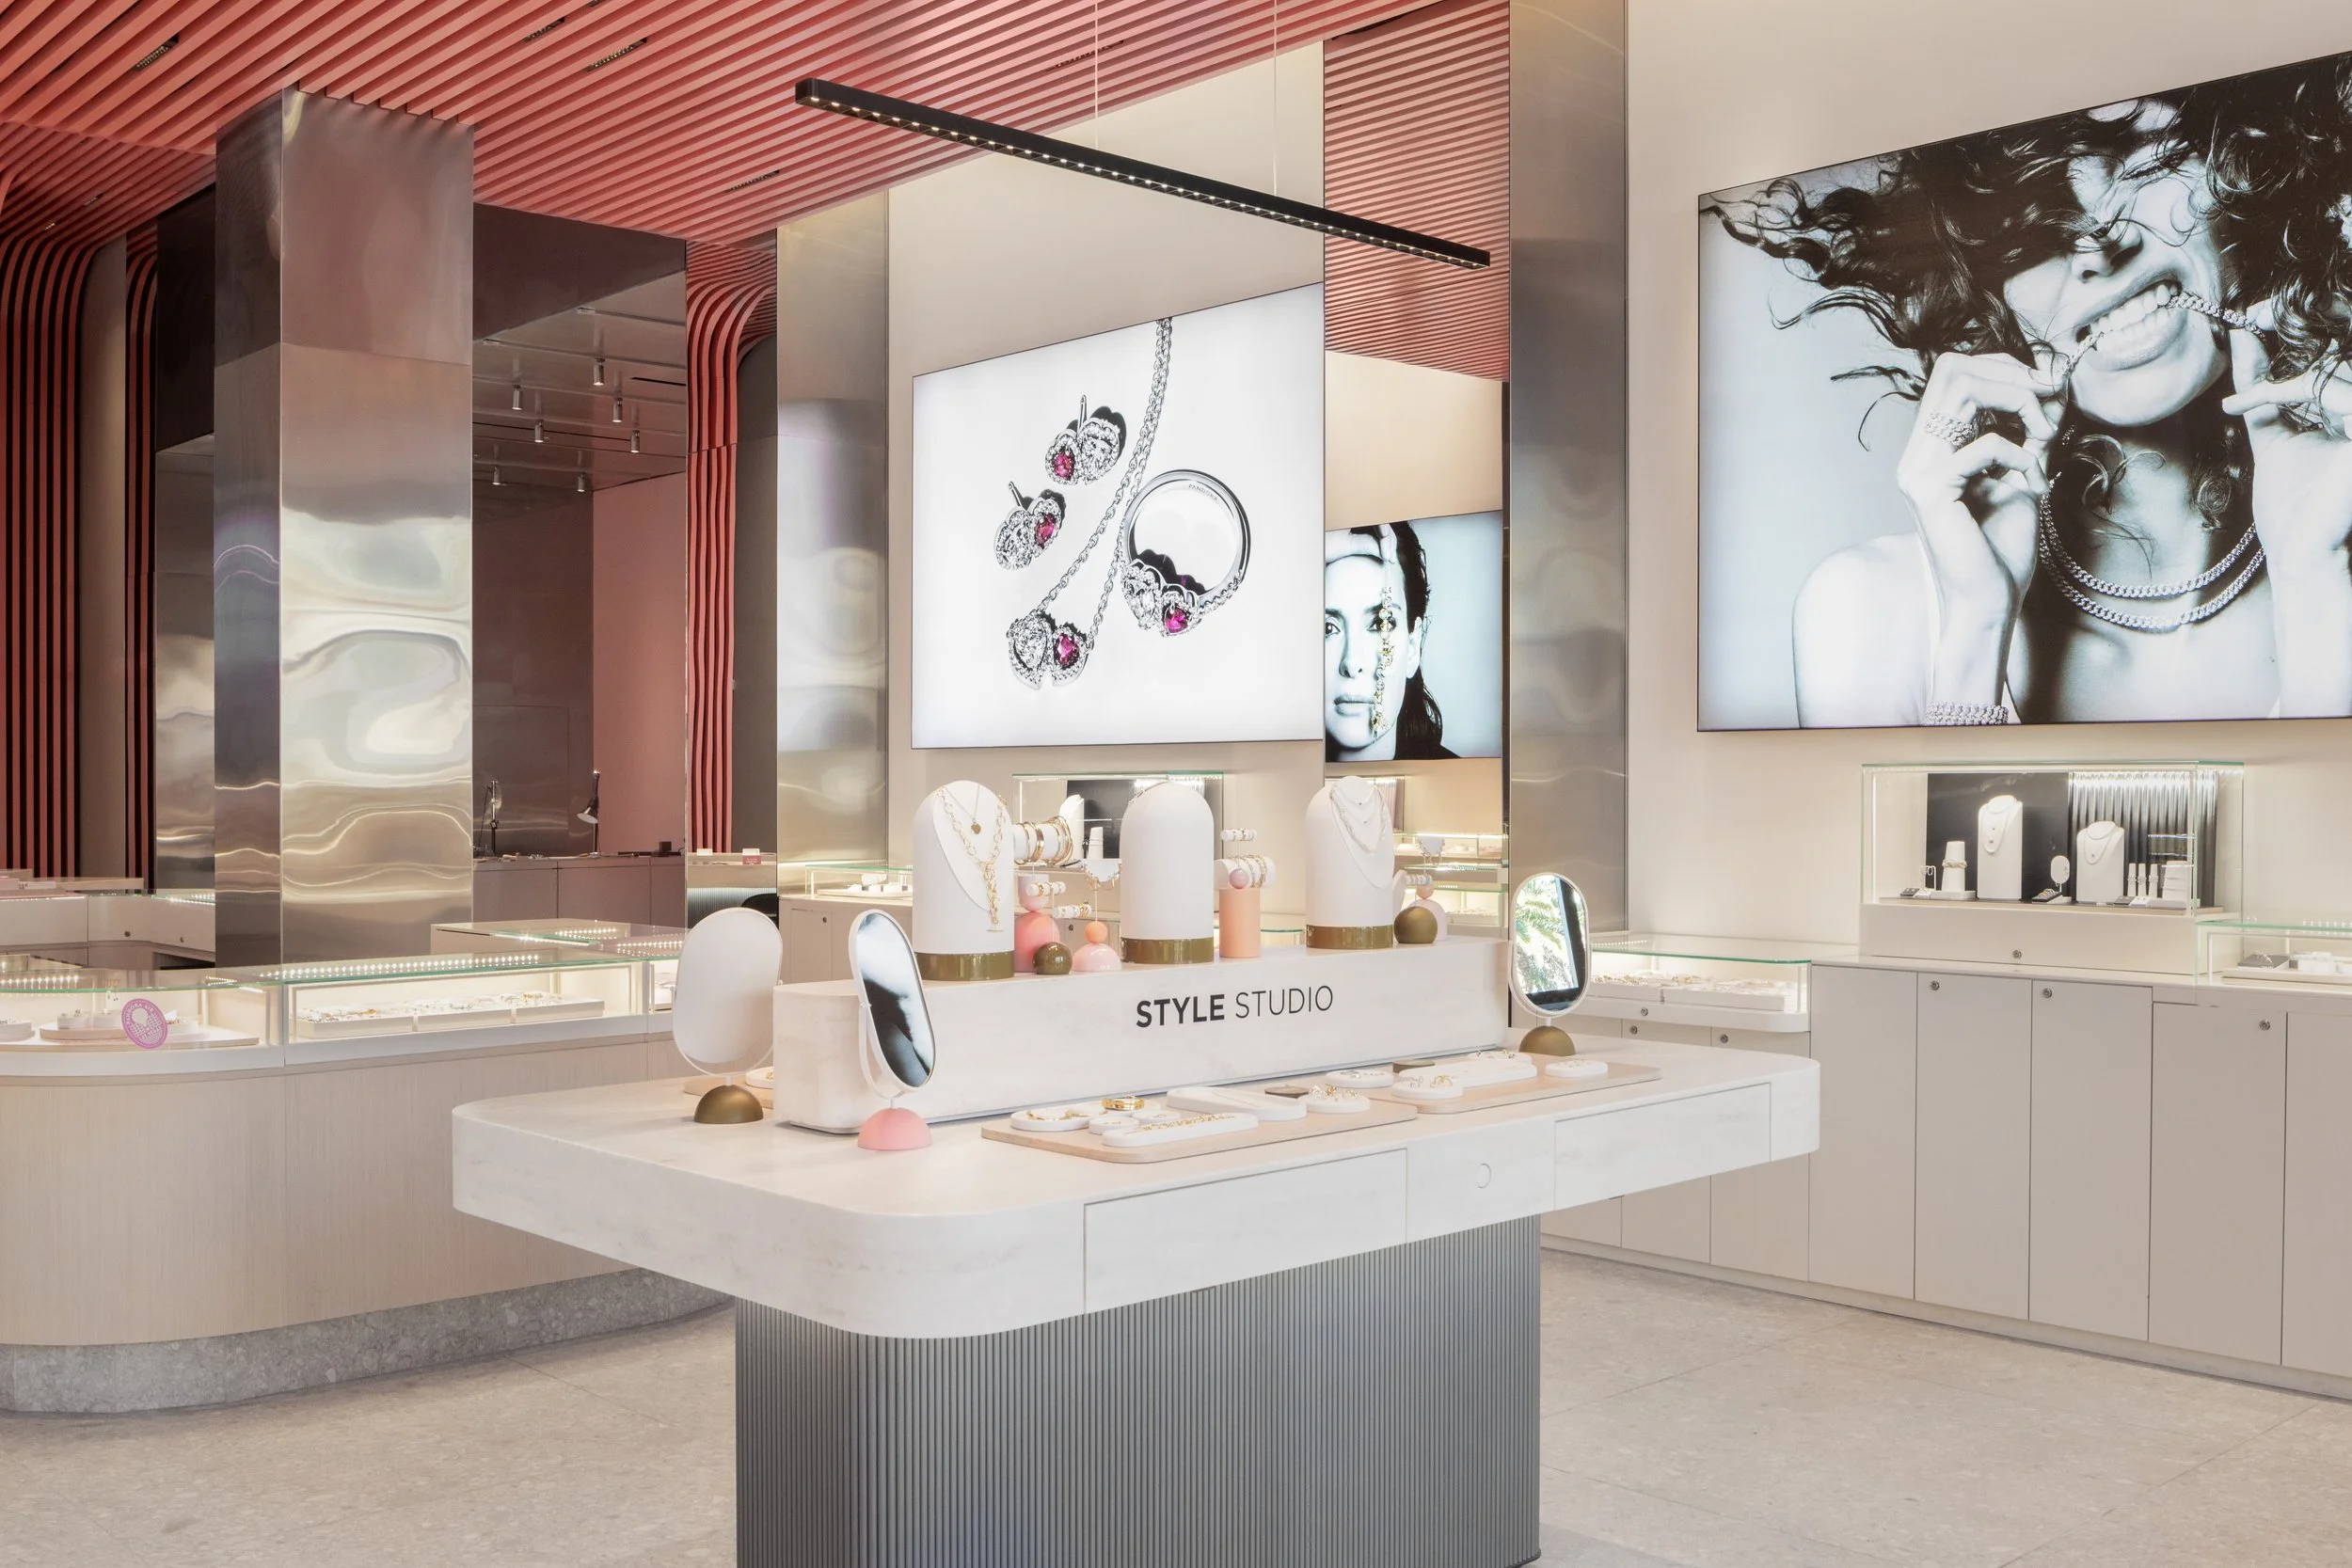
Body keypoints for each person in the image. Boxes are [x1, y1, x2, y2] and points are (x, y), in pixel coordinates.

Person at [1710, 56, 2352, 724]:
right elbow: (1916, 830)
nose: (2100, 241)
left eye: (2136, 160)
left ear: (2242, 175)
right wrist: (1975, 632)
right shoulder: (1871, 611)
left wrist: (2312, 586)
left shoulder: (2332, 559)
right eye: (2033, 219)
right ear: (1987, 300)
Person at [1324, 522, 1455, 760]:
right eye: (1328, 628)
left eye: (1381, 625)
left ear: (1413, 647)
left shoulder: (1467, 790)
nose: (1352, 663)